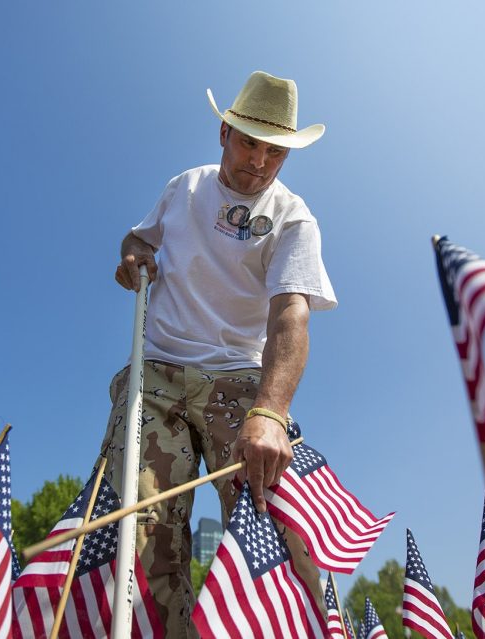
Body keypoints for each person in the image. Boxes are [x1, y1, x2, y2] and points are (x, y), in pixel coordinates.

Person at [100, 70, 337, 636]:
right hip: (157, 374)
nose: (259, 161)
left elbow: (290, 314)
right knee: (138, 527)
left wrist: (271, 412)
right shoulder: (185, 187)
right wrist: (135, 258)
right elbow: (140, 238)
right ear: (224, 134)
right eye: (249, 143)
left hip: (240, 384)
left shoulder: (293, 218)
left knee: (280, 528)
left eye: (275, 151)